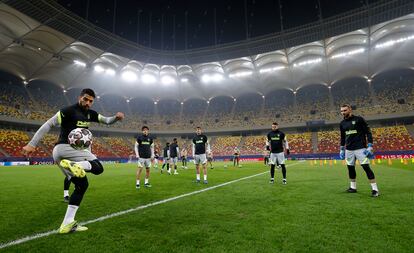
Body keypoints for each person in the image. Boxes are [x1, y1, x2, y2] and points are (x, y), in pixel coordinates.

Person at [22, 88, 124, 233]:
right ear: (80, 98)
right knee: (98, 167)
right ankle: (76, 165)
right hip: (67, 148)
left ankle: (67, 224)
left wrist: (116, 117)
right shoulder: (68, 111)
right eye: (85, 99)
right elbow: (48, 124)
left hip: (61, 154)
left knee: (82, 185)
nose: (88, 103)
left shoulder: (91, 114)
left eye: (90, 101)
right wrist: (32, 144)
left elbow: (107, 121)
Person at [339, 104, 379, 197]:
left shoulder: (359, 119)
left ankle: (375, 189)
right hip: (349, 150)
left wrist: (370, 146)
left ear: (350, 109)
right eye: (341, 111)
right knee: (350, 168)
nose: (343, 112)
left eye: (345, 110)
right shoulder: (342, 123)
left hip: (360, 148)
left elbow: (368, 132)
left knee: (366, 167)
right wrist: (341, 149)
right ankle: (353, 187)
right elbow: (342, 137)